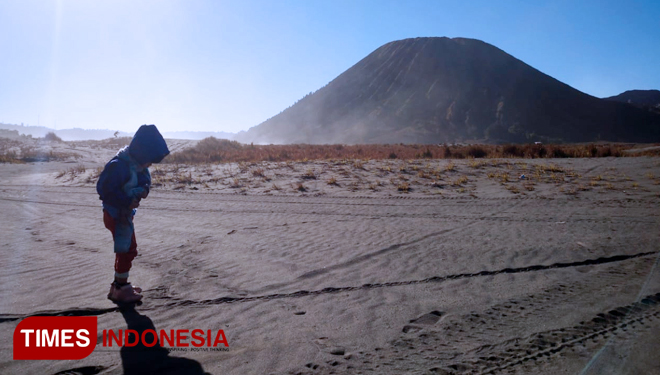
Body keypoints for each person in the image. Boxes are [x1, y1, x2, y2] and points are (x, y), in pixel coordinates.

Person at [97, 125, 169, 303]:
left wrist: (143, 190)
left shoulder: (137, 165)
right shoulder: (119, 166)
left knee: (125, 249)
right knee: (128, 249)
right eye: (149, 160)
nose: (150, 165)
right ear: (141, 153)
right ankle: (121, 289)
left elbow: (144, 180)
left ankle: (118, 285)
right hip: (116, 214)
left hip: (124, 214)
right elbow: (104, 190)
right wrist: (126, 201)